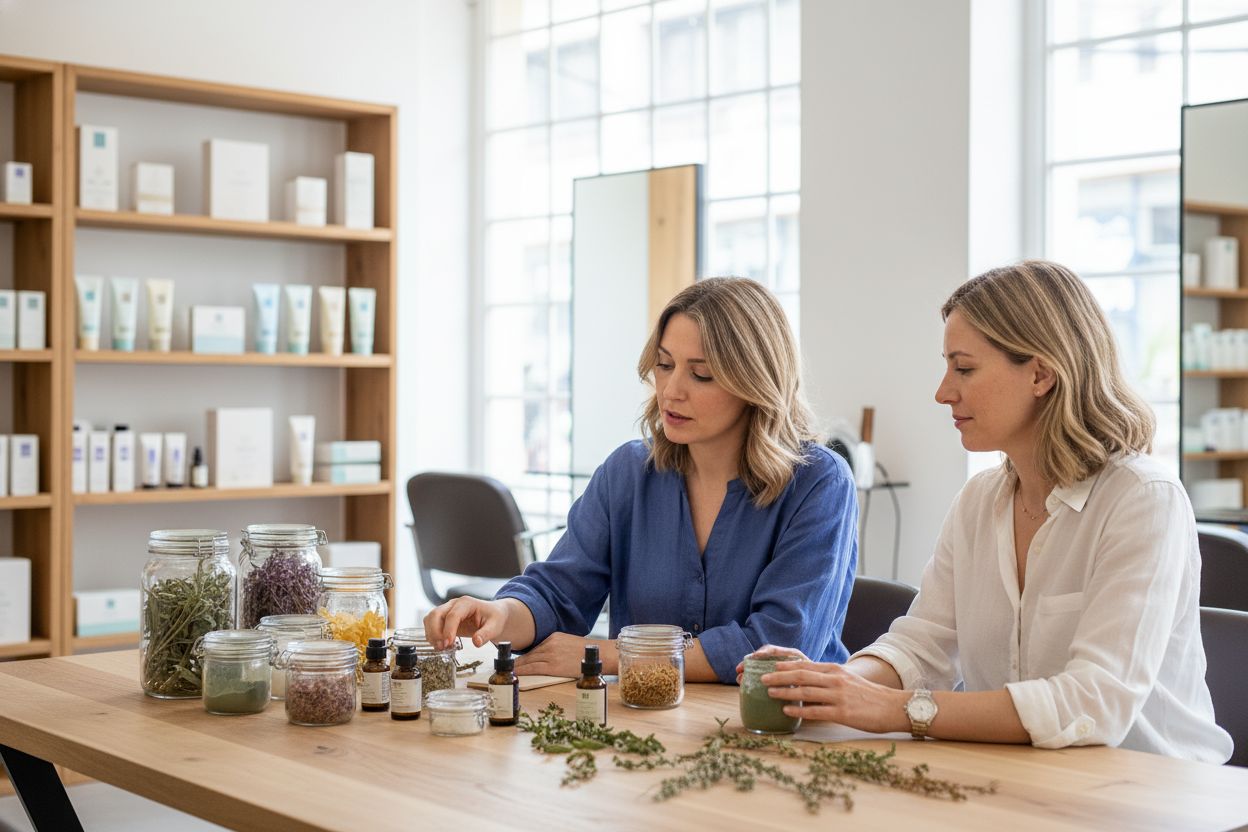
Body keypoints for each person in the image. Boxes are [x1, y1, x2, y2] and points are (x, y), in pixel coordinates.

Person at [751, 260, 1232, 763]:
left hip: (1157, 796)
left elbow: (1094, 703)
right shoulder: (979, 501)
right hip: (1022, 782)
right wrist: (829, 685)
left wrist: (897, 710)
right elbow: (922, 648)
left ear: (1041, 373)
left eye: (964, 368)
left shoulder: (1143, 499)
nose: (943, 392)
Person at [423, 277, 858, 683]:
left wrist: (607, 655)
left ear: (756, 382)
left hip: (785, 734)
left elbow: (774, 648)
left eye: (700, 373)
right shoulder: (628, 473)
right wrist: (500, 613)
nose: (671, 390)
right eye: (665, 365)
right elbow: (558, 593)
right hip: (651, 723)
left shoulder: (820, 483)